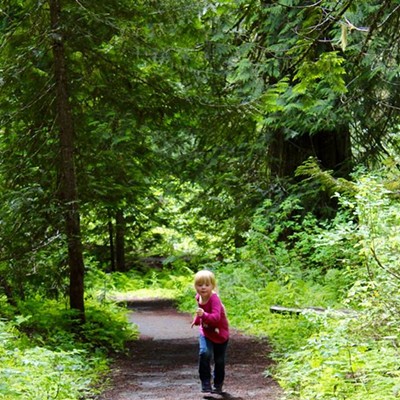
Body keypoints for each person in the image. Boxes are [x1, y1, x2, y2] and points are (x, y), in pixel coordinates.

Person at [191, 270, 229, 394]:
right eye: (200, 285)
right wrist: (197, 320)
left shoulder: (214, 299)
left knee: (219, 360)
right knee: (204, 353)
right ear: (195, 286)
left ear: (213, 286)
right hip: (206, 331)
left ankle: (218, 384)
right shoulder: (198, 297)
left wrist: (204, 315)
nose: (203, 288)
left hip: (220, 333)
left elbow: (216, 317)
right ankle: (205, 382)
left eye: (207, 285)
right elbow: (200, 310)